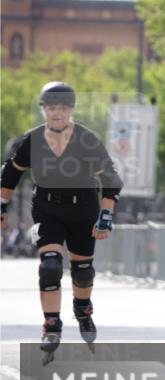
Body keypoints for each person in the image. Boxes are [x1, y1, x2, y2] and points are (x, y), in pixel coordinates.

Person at [0, 82, 123, 364]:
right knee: (50, 266)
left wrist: (106, 215)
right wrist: (2, 206)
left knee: (82, 273)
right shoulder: (31, 141)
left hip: (84, 212)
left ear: (71, 109)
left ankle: (82, 309)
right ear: (43, 109)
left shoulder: (87, 139)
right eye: (51, 107)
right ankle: (52, 325)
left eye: (63, 108)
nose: (57, 113)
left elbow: (111, 180)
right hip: (47, 210)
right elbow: (9, 176)